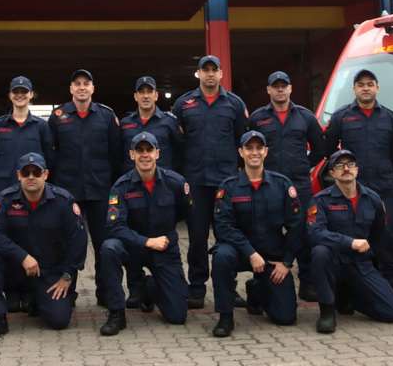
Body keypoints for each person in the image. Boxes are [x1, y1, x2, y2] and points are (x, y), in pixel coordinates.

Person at [0, 152, 87, 339]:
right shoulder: (5, 199)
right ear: (18, 175)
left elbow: (78, 240)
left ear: (45, 174)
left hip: (49, 270)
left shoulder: (63, 201)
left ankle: (38, 299)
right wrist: (22, 256)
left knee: (59, 321)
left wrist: (68, 275)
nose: (31, 177)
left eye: (36, 172)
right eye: (26, 173)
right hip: (15, 268)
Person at [324, 69, 393, 298]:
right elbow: (330, 149)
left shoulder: (389, 117)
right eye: (360, 84)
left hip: (383, 186)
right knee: (354, 233)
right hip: (354, 189)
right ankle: (353, 281)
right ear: (354, 89)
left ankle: (392, 278)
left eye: (370, 84)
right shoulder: (342, 116)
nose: (365, 88)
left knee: (390, 233)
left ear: (377, 88)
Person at [172, 55, 248, 308]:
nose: (210, 75)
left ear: (221, 73)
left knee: (226, 236)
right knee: (196, 237)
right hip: (195, 181)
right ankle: (196, 288)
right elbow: (176, 143)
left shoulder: (234, 104)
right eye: (205, 71)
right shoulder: (184, 104)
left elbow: (242, 141)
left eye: (214, 70)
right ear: (198, 74)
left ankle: (228, 287)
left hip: (226, 182)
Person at [99, 132, 191, 335]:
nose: (145, 155)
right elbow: (115, 226)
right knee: (109, 248)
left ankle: (147, 287)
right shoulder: (121, 187)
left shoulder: (175, 183)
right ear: (131, 155)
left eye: (149, 150)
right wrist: (147, 241)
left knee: (177, 316)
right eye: (139, 151)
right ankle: (116, 313)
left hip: (164, 247)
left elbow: (185, 212)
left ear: (157, 153)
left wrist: (164, 238)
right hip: (134, 248)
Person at [210, 131, 301, 337]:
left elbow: (296, 226)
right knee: (221, 256)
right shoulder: (229, 187)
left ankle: (257, 290)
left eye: (259, 148)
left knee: (285, 318)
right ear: (240, 152)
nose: (254, 152)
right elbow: (223, 226)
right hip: (240, 252)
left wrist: (286, 263)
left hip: (271, 256)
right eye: (249, 148)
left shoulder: (282, 185)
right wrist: (250, 253)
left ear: (266, 151)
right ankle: (225, 316)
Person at [48, 68, 123, 306]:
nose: (81, 87)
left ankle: (107, 293)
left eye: (86, 83)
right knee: (68, 244)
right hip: (68, 193)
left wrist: (114, 188)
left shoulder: (106, 116)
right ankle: (66, 294)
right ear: (71, 89)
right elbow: (51, 154)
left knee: (105, 246)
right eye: (77, 83)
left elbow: (116, 153)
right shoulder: (58, 116)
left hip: (101, 191)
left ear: (93, 88)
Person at [307, 150, 393, 334]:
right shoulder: (320, 200)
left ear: (357, 170)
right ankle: (327, 311)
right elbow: (315, 233)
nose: (346, 169)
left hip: (360, 264)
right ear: (332, 173)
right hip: (333, 263)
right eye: (339, 165)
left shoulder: (372, 199)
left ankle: (349, 295)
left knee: (392, 312)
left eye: (350, 165)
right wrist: (349, 242)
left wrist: (370, 256)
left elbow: (379, 233)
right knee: (320, 252)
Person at [248, 70, 324, 301]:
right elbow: (248, 148)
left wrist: (303, 166)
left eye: (284, 86)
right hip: (267, 184)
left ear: (290, 89)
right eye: (276, 86)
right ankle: (262, 281)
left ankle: (308, 282)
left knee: (301, 230)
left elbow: (320, 148)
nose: (280, 90)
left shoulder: (306, 117)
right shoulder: (258, 118)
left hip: (299, 184)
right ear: (268, 90)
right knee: (265, 229)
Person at [119, 75, 183, 308]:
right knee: (132, 240)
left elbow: (180, 150)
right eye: (141, 91)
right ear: (135, 96)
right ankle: (136, 289)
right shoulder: (125, 124)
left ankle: (159, 283)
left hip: (162, 191)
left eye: (150, 91)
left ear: (156, 95)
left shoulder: (168, 122)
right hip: (133, 190)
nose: (146, 95)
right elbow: (118, 154)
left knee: (178, 310)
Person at [0, 76, 54, 198]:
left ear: (31, 94)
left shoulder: (41, 126)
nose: (19, 95)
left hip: (33, 191)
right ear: (10, 95)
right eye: (16, 91)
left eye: (24, 91)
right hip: (3, 189)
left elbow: (49, 159)